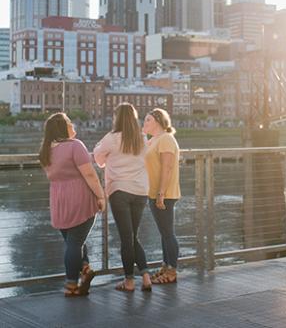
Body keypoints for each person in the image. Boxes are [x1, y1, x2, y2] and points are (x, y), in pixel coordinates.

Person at [39, 112, 105, 297]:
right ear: (63, 128)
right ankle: (71, 284)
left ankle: (84, 269)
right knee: (75, 243)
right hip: (80, 198)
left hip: (59, 200)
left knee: (73, 241)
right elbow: (90, 174)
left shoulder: (46, 150)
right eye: (69, 122)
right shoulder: (75, 146)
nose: (73, 124)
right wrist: (101, 196)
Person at [94, 103, 152, 292]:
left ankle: (129, 281)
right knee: (133, 236)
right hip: (140, 191)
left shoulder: (111, 138)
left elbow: (98, 159)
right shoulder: (142, 138)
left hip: (120, 190)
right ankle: (145, 276)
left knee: (127, 238)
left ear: (117, 118)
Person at [143, 108, 180, 284]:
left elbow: (167, 167)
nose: (144, 123)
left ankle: (172, 271)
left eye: (148, 120)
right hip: (154, 193)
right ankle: (166, 266)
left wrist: (161, 193)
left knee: (168, 233)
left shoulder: (165, 139)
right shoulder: (153, 141)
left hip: (164, 193)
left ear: (158, 121)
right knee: (164, 233)